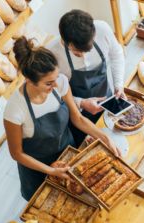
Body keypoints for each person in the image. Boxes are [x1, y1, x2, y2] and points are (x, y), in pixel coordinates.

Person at [3, 37, 121, 201]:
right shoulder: (15, 109)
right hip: (38, 170)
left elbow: (77, 118)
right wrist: (50, 171)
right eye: (49, 83)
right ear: (29, 80)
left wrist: (104, 137)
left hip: (68, 155)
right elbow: (16, 153)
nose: (56, 85)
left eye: (56, 78)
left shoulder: (61, 83)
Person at [47, 9, 125, 147]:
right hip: (78, 115)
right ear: (66, 43)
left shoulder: (102, 29)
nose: (84, 57)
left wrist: (119, 84)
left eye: (87, 51)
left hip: (107, 103)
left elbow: (116, 54)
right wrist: (81, 103)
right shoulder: (52, 55)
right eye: (77, 53)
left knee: (116, 140)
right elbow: (52, 94)